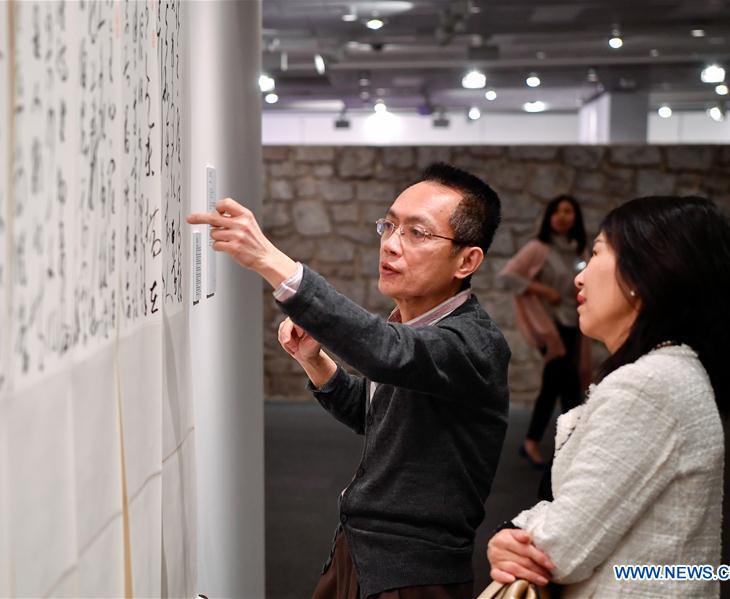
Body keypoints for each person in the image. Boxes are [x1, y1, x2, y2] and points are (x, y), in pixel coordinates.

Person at [188, 163, 511, 598]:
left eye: (418, 233)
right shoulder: (416, 328)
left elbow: (384, 352)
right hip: (360, 552)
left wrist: (270, 259)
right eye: (390, 225)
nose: (392, 245)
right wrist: (314, 361)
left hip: (412, 575)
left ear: (467, 260)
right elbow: (377, 416)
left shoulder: (472, 342)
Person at [486, 196, 730, 598]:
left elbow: (559, 548)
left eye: (597, 254)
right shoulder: (671, 372)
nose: (579, 278)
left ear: (644, 275)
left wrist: (511, 534)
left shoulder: (647, 387)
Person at [499, 195, 591, 467]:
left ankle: (535, 443)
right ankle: (571, 445)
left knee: (555, 384)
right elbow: (508, 275)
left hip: (573, 324)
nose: (563, 216)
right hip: (549, 327)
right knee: (569, 384)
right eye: (558, 211)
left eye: (569, 211)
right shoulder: (539, 248)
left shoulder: (579, 249)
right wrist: (542, 290)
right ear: (550, 216)